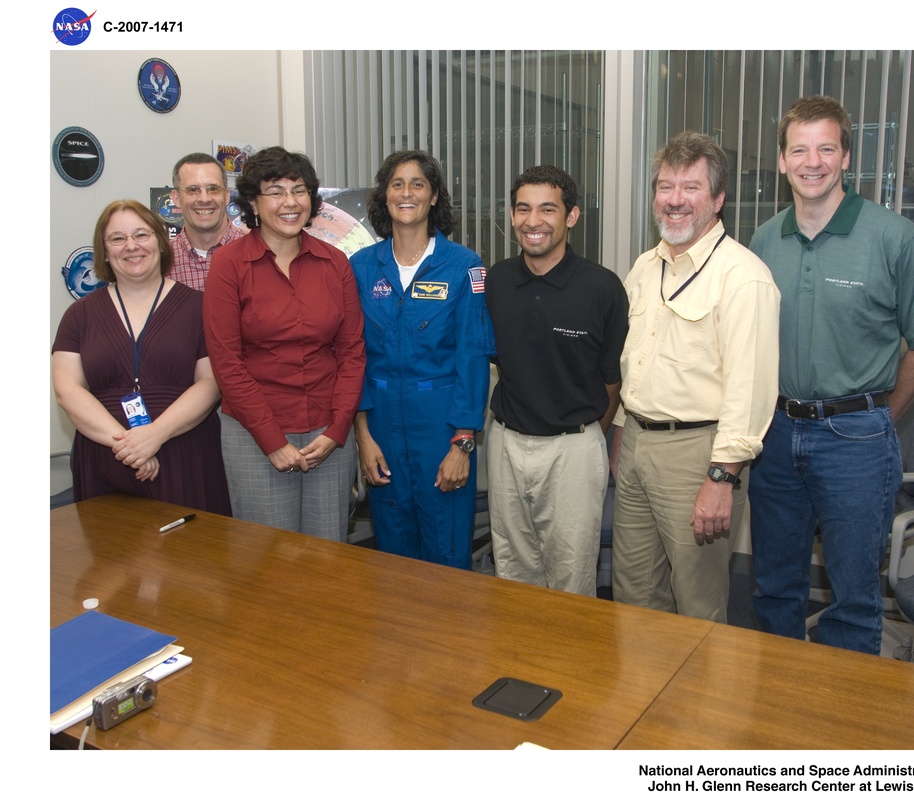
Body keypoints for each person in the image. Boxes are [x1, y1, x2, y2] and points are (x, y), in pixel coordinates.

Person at [748, 95, 914, 655]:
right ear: (782, 161)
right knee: (773, 588)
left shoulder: (896, 239)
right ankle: (778, 707)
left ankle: (845, 732)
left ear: (847, 157)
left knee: (854, 599)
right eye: (799, 149)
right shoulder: (764, 240)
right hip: (775, 435)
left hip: (856, 440)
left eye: (826, 148)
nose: (813, 162)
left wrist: (880, 414)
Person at [612, 131, 781, 622]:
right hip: (640, 444)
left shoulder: (743, 277)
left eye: (691, 188)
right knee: (634, 592)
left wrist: (721, 477)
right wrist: (623, 433)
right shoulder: (646, 267)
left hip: (698, 456)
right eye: (666, 187)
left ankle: (701, 701)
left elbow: (749, 391)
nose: (675, 200)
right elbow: (634, 359)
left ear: (717, 199)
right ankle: (647, 697)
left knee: (697, 603)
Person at [203, 146, 365, 540]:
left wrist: (337, 430)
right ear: (254, 203)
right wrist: (272, 441)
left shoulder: (335, 263)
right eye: (275, 191)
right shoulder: (228, 265)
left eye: (298, 190)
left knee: (327, 555)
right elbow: (227, 362)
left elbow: (352, 352)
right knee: (266, 561)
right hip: (255, 434)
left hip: (328, 435)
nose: (289, 202)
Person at [485, 166, 628, 596]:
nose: (534, 221)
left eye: (548, 209)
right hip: (506, 444)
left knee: (571, 576)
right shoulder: (495, 282)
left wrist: (583, 437)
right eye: (524, 209)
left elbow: (612, 381)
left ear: (572, 216)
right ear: (511, 216)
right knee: (512, 568)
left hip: (573, 449)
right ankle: (518, 660)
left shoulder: (603, 288)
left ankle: (568, 665)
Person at [350, 150, 494, 568]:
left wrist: (462, 445)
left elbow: (473, 356)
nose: (407, 193)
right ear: (385, 196)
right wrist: (363, 437)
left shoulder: (464, 266)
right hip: (380, 429)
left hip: (442, 429)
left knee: (446, 552)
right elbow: (352, 354)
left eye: (418, 184)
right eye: (397, 183)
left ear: (434, 197)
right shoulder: (361, 267)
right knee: (393, 555)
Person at [52, 200, 231, 515]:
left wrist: (155, 435)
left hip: (184, 453)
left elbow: (211, 383)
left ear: (161, 244)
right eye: (117, 239)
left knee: (194, 558)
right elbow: (67, 391)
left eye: (141, 235)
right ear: (104, 251)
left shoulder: (200, 308)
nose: (131, 246)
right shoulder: (78, 315)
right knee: (109, 559)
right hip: (104, 457)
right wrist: (130, 446)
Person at [167, 152, 247, 291]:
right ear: (176, 198)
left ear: (227, 196)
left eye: (213, 189)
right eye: (193, 190)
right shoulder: (162, 260)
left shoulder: (255, 253)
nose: (204, 199)